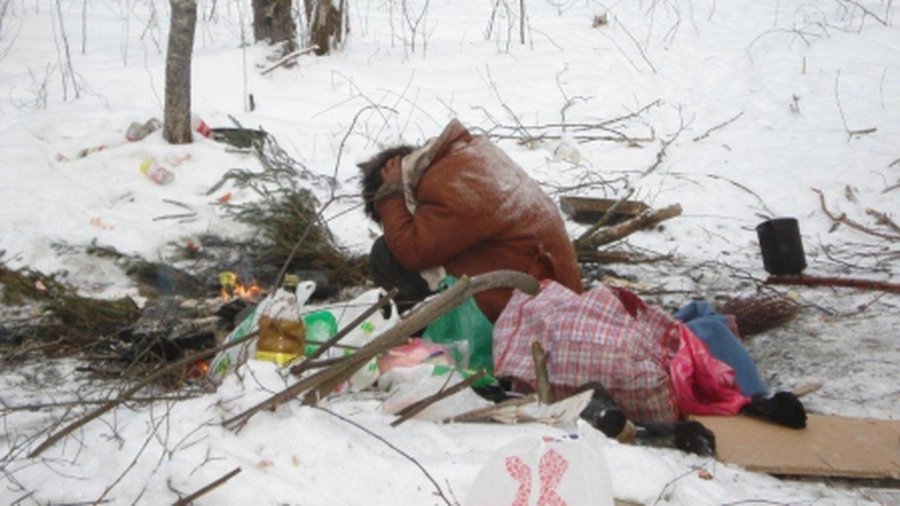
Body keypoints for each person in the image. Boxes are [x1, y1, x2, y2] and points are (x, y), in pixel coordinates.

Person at [359, 118, 582, 321]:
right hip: (549, 290)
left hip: (536, 310)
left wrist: (390, 197)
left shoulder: (450, 188)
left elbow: (412, 252)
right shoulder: (462, 161)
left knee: (386, 253)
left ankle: (422, 339)